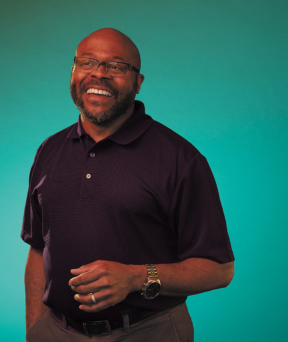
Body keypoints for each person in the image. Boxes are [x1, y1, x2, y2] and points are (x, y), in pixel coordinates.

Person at [21, 28, 234, 342]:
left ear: (138, 82)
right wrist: (35, 331)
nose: (99, 74)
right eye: (87, 62)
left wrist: (137, 277)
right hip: (56, 331)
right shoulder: (49, 150)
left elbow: (219, 269)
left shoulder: (179, 159)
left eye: (116, 66)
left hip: (147, 332)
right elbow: (38, 249)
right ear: (73, 72)